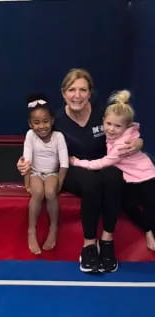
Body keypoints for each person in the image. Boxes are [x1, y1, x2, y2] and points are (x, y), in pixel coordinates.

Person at [18, 68, 142, 273]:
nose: (77, 95)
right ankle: (89, 245)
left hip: (103, 163)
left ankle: (108, 241)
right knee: (91, 184)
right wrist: (23, 163)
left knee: (113, 178)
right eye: (72, 89)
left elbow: (127, 127)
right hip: (73, 168)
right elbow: (38, 142)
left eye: (83, 89)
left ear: (90, 92)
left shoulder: (103, 113)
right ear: (63, 93)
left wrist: (138, 141)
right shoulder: (56, 120)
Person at [70, 90, 155, 251]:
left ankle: (149, 231)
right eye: (108, 124)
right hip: (132, 177)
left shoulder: (121, 146)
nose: (111, 129)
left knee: (148, 205)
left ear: (126, 127)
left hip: (146, 177)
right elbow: (134, 130)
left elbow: (102, 163)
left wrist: (77, 162)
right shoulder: (125, 132)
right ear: (103, 121)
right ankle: (148, 230)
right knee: (128, 205)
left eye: (117, 126)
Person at [21, 95, 68, 255]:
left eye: (46, 121)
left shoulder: (58, 137)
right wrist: (27, 183)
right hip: (35, 173)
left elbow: (64, 164)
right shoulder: (30, 135)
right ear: (30, 124)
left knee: (49, 192)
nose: (42, 126)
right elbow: (26, 160)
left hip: (53, 174)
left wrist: (59, 185)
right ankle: (31, 231)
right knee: (38, 193)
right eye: (37, 122)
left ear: (52, 120)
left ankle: (53, 228)